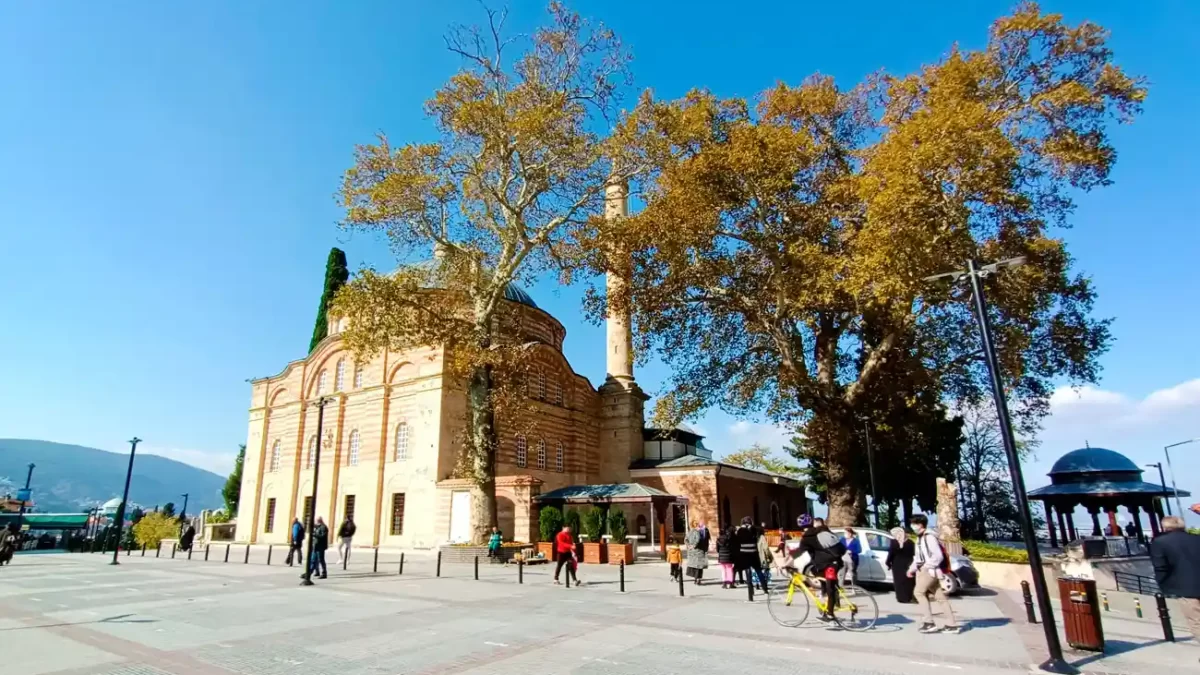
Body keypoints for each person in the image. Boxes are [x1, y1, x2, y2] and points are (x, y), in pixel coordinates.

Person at [1150, 516, 1200, 649]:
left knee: (1196, 621)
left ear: (1165, 527)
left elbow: (1160, 567)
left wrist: (1163, 585)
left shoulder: (1160, 542)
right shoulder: (1197, 539)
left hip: (1185, 588)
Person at [908, 514, 961, 634]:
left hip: (928, 570)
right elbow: (918, 557)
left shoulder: (929, 537)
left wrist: (927, 567)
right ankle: (952, 624)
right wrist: (912, 569)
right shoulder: (920, 538)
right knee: (940, 598)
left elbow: (938, 556)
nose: (912, 526)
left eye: (914, 523)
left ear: (920, 524)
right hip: (926, 570)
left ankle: (929, 622)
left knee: (918, 593)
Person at [799, 517, 846, 618]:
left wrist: (784, 562)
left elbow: (797, 553)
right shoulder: (825, 530)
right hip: (833, 562)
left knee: (830, 588)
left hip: (830, 564)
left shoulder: (808, 536)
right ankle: (829, 600)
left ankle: (830, 615)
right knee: (824, 581)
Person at [735, 517, 769, 593]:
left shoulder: (740, 530)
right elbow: (760, 531)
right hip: (754, 552)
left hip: (744, 553)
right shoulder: (754, 529)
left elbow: (738, 541)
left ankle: (751, 590)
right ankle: (765, 588)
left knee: (748, 571)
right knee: (758, 571)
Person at [886, 526, 916, 603]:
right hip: (908, 563)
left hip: (897, 564)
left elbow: (891, 554)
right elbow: (914, 554)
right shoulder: (910, 542)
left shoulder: (894, 542)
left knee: (898, 582)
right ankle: (909, 597)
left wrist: (888, 563)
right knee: (909, 581)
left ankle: (901, 598)